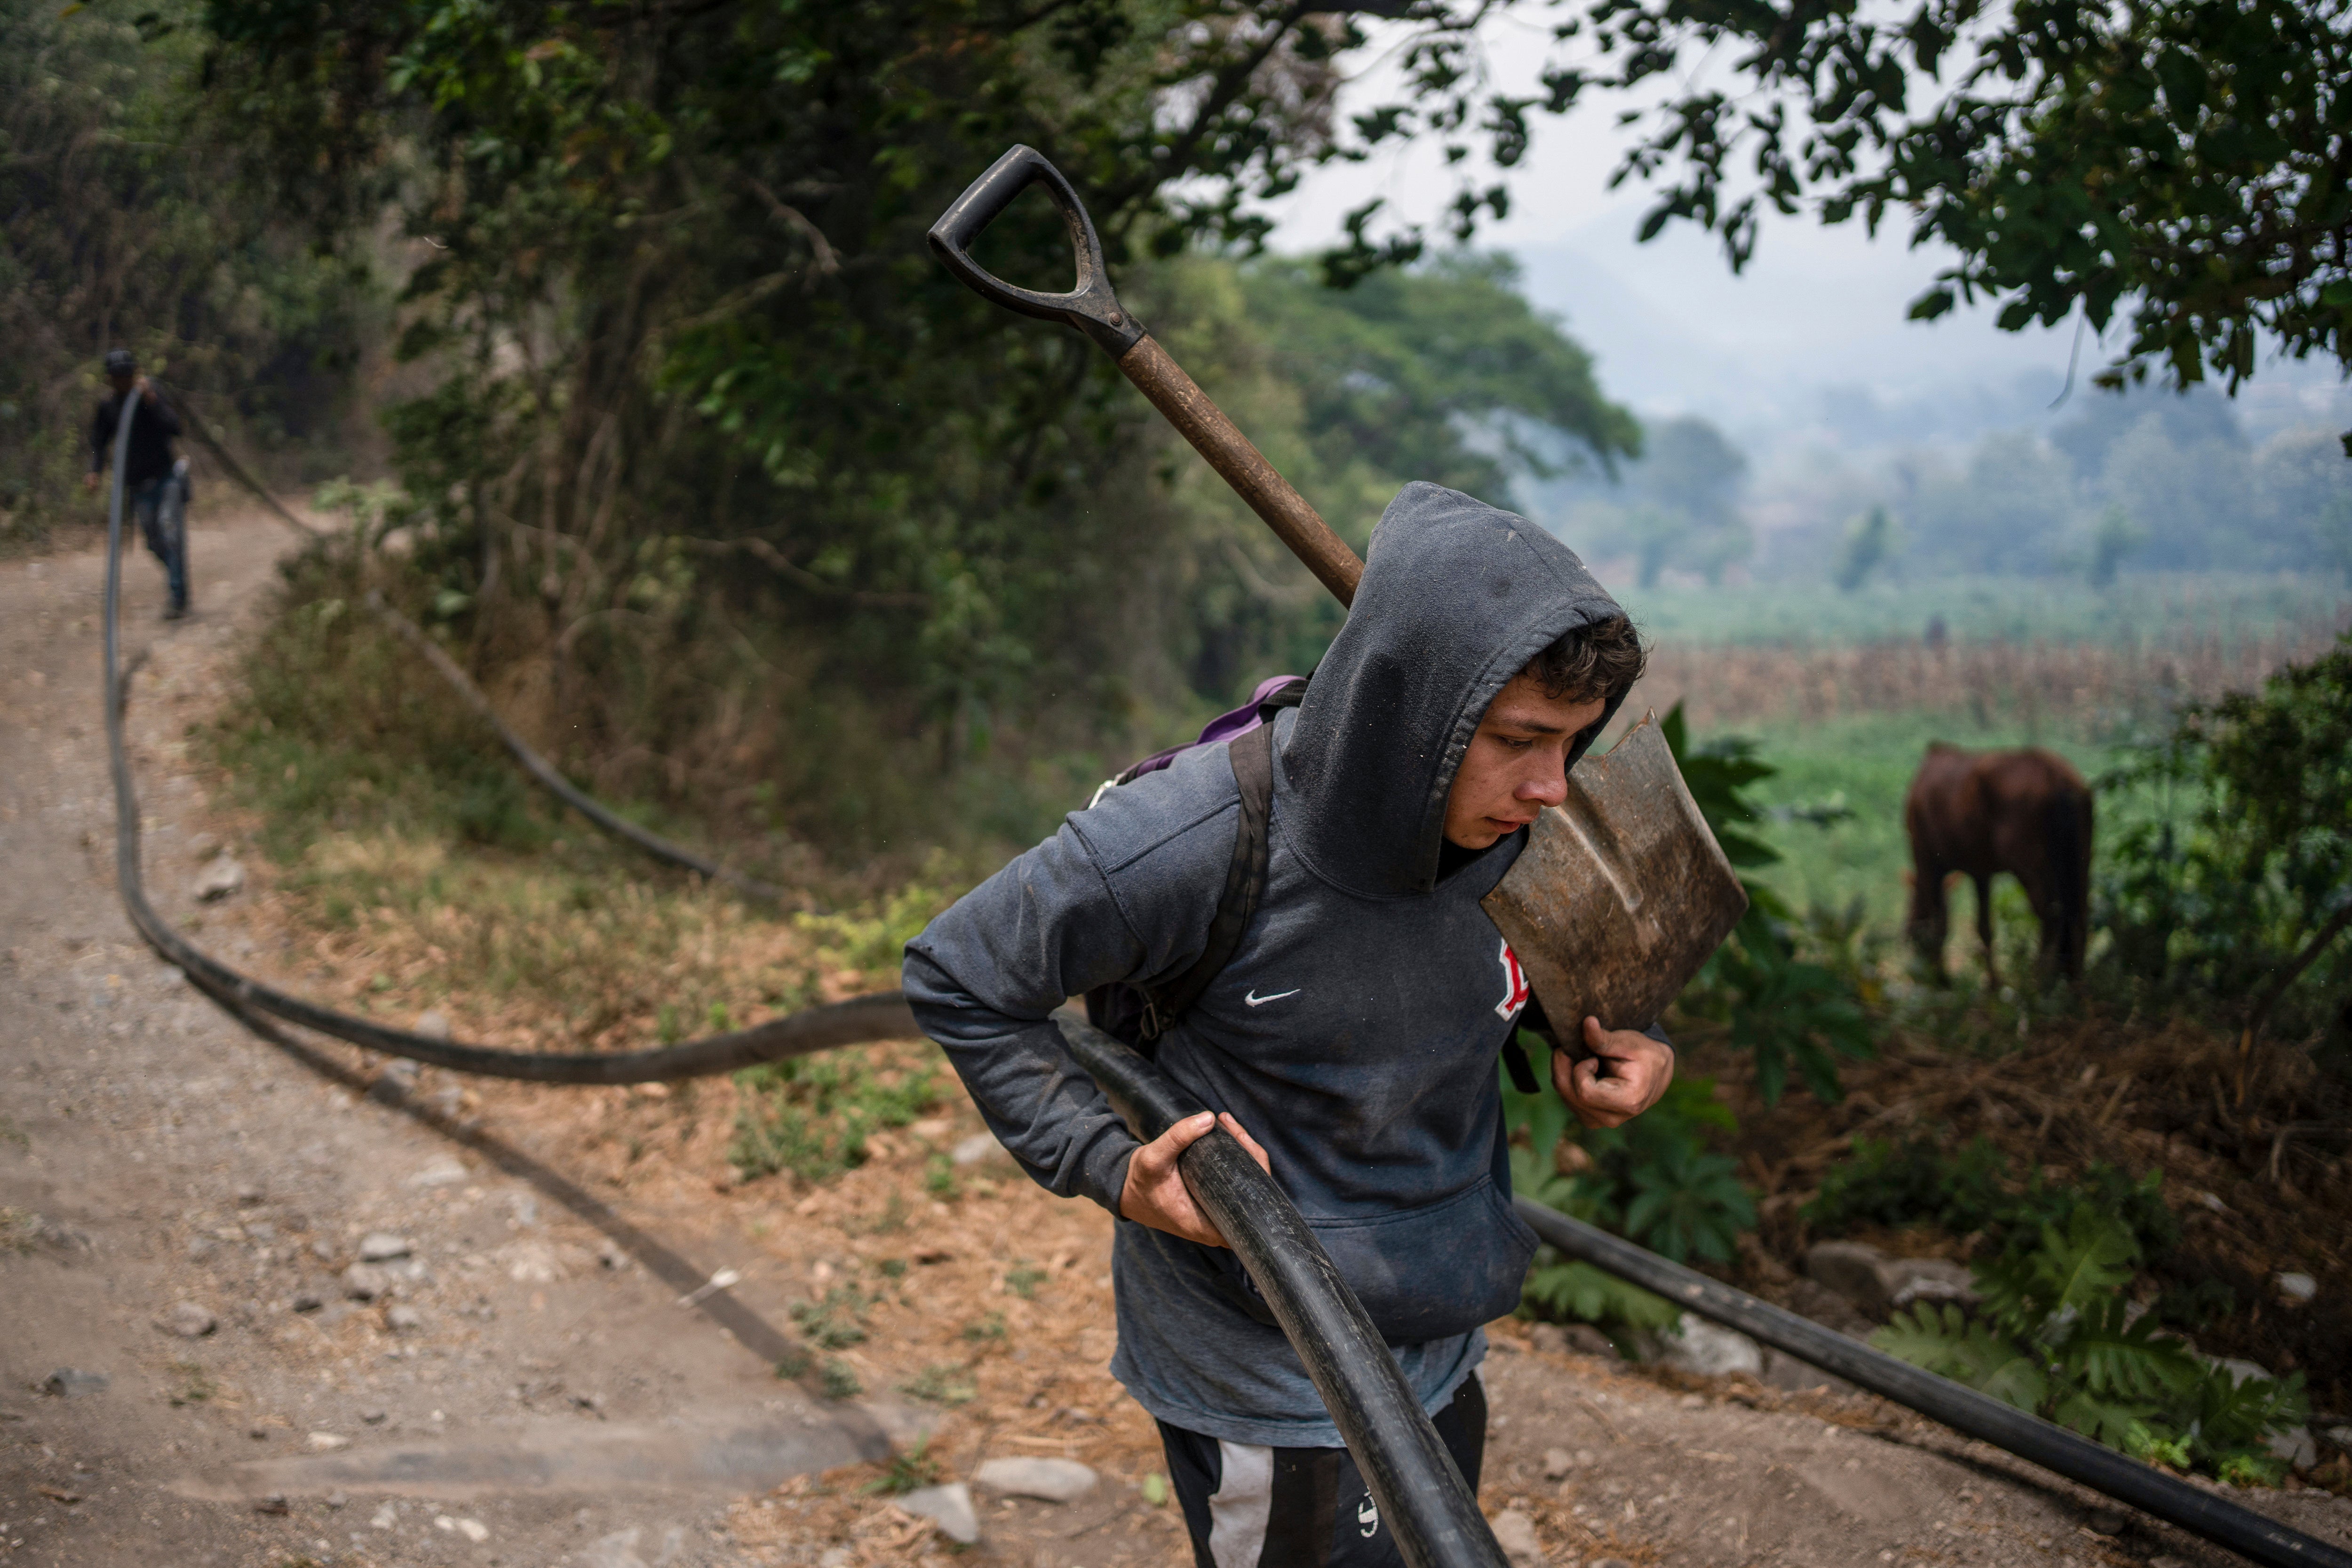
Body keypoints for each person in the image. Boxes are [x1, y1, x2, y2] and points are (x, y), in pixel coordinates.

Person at [904, 482, 1675, 1568]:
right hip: (1269, 1370)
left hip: (1441, 1331)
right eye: (1518, 739)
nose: (1552, 786)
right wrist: (1107, 1163)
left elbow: (1534, 979)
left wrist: (1619, 1048)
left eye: (1571, 745)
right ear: (1415, 717)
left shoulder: (1527, 826)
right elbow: (957, 974)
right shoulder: (1190, 840)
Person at [86, 348, 190, 619]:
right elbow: (99, 443)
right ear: (110, 378)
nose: (122, 380)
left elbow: (176, 427)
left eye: (126, 374)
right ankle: (175, 574)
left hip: (166, 479)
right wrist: (94, 471)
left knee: (170, 532)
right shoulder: (108, 407)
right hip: (137, 487)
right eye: (117, 376)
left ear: (135, 373)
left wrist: (152, 401)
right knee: (154, 541)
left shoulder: (149, 396)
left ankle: (178, 595)